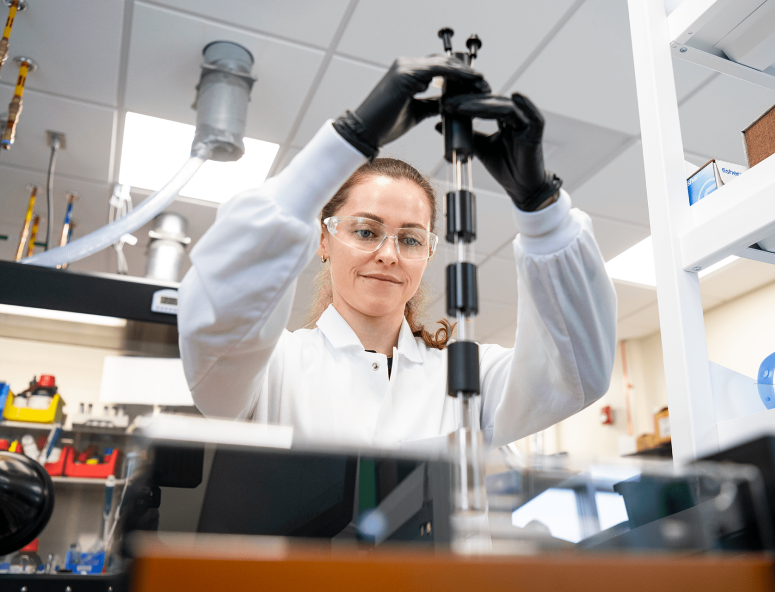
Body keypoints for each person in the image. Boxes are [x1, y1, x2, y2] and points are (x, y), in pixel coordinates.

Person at [178, 55, 617, 450]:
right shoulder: (271, 370)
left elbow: (576, 374)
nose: (389, 255)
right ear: (324, 240)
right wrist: (347, 140)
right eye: (366, 231)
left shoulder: (468, 378)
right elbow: (217, 318)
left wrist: (542, 209)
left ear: (427, 254)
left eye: (410, 239)